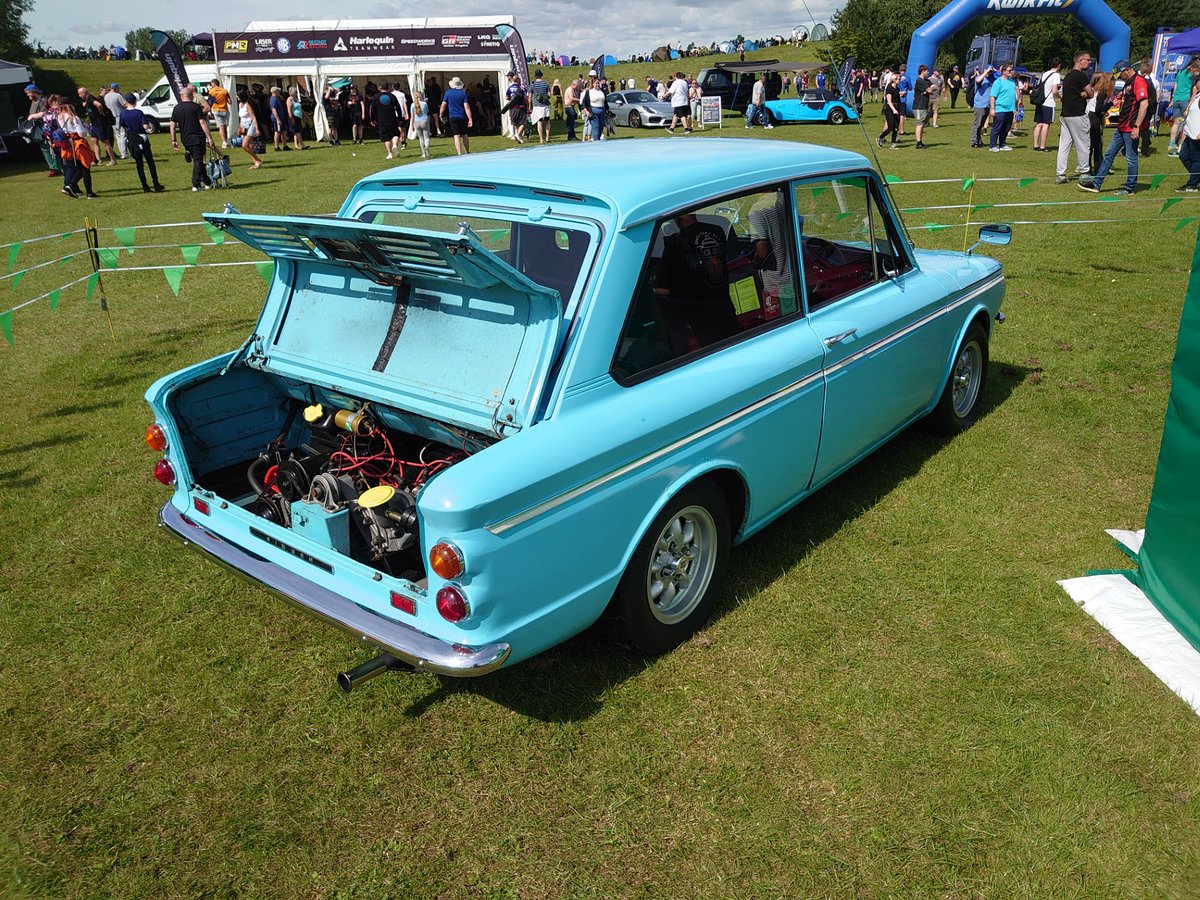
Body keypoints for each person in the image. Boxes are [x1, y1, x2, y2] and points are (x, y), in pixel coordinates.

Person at [656, 211, 737, 351]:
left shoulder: (676, 242)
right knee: (735, 344)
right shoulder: (717, 230)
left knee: (714, 351)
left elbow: (664, 283)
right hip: (723, 302)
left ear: (677, 219)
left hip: (699, 310)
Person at [1080, 60, 1150, 195]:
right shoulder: (1127, 83)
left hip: (1131, 127)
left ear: (1127, 70)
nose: (1120, 78)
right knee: (1109, 154)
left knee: (1131, 158)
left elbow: (1144, 104)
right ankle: (1096, 184)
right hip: (1121, 127)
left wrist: (1137, 126)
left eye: (1121, 75)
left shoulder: (1139, 82)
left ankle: (1129, 188)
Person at [1055, 51, 1094, 183]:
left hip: (1065, 114)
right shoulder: (1081, 76)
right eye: (1088, 60)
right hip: (1077, 114)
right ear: (1080, 60)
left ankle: (1060, 174)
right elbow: (1091, 93)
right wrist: (1086, 94)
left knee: (1064, 145)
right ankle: (1084, 173)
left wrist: (1083, 94)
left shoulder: (1067, 76)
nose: (1090, 62)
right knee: (1083, 144)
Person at [169, 86, 215, 191]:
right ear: (192, 96)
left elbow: (172, 124)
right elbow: (202, 122)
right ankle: (196, 184)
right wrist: (209, 137)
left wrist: (174, 139)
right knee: (198, 161)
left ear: (182, 96)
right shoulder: (196, 107)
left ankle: (207, 182)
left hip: (185, 138)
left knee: (197, 159)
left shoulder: (177, 108)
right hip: (197, 137)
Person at [118, 92, 164, 191]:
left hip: (131, 138)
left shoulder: (123, 114)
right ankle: (156, 183)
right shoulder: (138, 113)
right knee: (150, 162)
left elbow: (122, 125)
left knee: (139, 164)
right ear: (134, 101)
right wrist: (147, 128)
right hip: (141, 137)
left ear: (126, 102)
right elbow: (145, 126)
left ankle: (144, 185)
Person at [51, 102, 98, 198]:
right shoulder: (74, 118)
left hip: (68, 145)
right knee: (85, 167)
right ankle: (88, 192)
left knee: (79, 168)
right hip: (78, 144)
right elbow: (81, 133)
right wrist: (85, 130)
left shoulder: (59, 117)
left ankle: (70, 186)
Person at [23, 84, 61, 177]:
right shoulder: (33, 102)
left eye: (29, 93)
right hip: (37, 129)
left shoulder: (43, 101)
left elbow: (45, 113)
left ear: (34, 92)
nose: (28, 96)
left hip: (46, 128)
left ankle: (56, 168)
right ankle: (53, 167)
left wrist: (33, 116)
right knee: (44, 148)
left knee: (50, 147)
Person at [77, 86, 117, 165]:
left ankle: (113, 160)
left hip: (100, 123)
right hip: (94, 124)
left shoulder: (90, 98)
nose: (79, 96)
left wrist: (101, 113)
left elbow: (98, 104)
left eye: (79, 94)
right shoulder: (88, 100)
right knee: (94, 140)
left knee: (105, 141)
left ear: (84, 93)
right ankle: (98, 160)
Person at [1168, 57, 1196, 156]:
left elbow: (1175, 86)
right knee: (1185, 123)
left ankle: (1171, 143)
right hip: (1185, 100)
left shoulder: (1180, 72)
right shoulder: (1191, 74)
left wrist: (1174, 97)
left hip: (1177, 100)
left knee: (1176, 123)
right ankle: (1181, 145)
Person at [1176, 75, 1200, 191]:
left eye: (1196, 82)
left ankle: (1192, 184)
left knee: (1196, 159)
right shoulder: (1196, 96)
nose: (1194, 84)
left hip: (1197, 135)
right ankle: (1197, 178)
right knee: (1183, 156)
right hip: (1189, 133)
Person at [1088, 71, 1114, 175]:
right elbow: (1098, 109)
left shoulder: (1096, 90)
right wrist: (1110, 104)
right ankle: (1091, 169)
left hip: (1091, 116)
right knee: (1095, 145)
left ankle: (1097, 168)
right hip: (1094, 118)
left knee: (1096, 145)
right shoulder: (1102, 92)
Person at [1033, 58, 1062, 151]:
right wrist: (1060, 96)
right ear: (1059, 65)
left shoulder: (1044, 73)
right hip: (1049, 102)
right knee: (1046, 124)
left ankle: (1035, 145)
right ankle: (1043, 146)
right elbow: (1054, 90)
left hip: (1040, 101)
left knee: (1039, 124)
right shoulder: (1056, 75)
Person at [440, 75, 473, 155]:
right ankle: (467, 151)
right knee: (464, 134)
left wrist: (440, 114)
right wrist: (470, 118)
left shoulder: (448, 93)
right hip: (462, 116)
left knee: (456, 135)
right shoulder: (463, 93)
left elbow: (443, 105)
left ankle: (459, 152)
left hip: (452, 116)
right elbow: (466, 107)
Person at [989, 65, 1018, 151]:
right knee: (997, 128)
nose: (1011, 72)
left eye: (1012, 70)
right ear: (1004, 71)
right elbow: (992, 97)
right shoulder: (998, 82)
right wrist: (992, 109)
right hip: (1000, 108)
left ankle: (1002, 144)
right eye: (1009, 70)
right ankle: (992, 145)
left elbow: (1014, 95)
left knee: (1006, 128)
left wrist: (1016, 108)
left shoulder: (1012, 82)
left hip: (1010, 109)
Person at [236, 87, 264, 169]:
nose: (237, 97)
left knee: (244, 145)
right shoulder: (240, 105)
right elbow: (241, 117)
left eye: (238, 96)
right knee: (249, 146)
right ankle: (256, 163)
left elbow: (253, 117)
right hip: (244, 126)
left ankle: (258, 160)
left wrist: (257, 129)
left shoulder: (247, 105)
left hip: (251, 126)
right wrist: (240, 127)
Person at [371, 81, 401, 159]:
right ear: (388, 87)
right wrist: (400, 118)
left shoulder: (376, 97)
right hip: (392, 119)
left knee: (386, 137)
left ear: (380, 87)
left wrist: (372, 119)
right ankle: (394, 145)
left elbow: (372, 109)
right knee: (396, 134)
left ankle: (390, 154)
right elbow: (398, 108)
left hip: (381, 120)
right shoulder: (392, 96)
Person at [499, 71, 528, 143]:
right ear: (518, 80)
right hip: (521, 107)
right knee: (523, 123)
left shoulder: (510, 88)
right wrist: (528, 106)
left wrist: (511, 99)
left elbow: (506, 97)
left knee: (516, 124)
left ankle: (519, 138)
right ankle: (518, 134)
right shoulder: (522, 88)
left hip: (512, 108)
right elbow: (525, 98)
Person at [878, 73, 901, 149]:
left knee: (896, 127)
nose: (899, 80)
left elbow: (896, 96)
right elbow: (889, 101)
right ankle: (880, 138)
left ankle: (893, 143)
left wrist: (900, 94)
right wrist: (893, 109)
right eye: (898, 79)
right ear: (893, 80)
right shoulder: (889, 88)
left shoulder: (897, 88)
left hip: (897, 107)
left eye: (899, 79)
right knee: (891, 127)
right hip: (890, 109)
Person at [103, 83, 126, 158]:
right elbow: (124, 104)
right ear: (116, 88)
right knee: (122, 134)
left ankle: (122, 152)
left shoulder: (106, 96)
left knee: (118, 135)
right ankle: (124, 153)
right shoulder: (117, 95)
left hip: (111, 117)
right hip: (119, 115)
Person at [912, 64, 932, 149]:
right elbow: (930, 90)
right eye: (927, 71)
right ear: (923, 71)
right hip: (919, 106)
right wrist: (928, 90)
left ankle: (920, 141)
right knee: (919, 124)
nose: (928, 72)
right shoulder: (920, 81)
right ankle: (918, 143)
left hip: (924, 105)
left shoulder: (926, 80)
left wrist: (928, 90)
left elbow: (934, 86)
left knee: (922, 124)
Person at [207, 78, 231, 148]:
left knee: (221, 126)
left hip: (216, 110)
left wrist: (209, 111)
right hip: (224, 109)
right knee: (225, 126)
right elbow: (230, 102)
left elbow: (209, 103)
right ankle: (226, 141)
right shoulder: (224, 91)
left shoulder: (211, 92)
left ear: (214, 84)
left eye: (211, 84)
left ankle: (224, 142)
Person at [529, 69, 552, 143]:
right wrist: (545, 98)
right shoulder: (546, 84)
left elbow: (529, 97)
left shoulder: (532, 85)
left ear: (535, 76)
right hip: (546, 105)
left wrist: (530, 106)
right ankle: (548, 137)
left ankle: (541, 139)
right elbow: (549, 95)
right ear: (541, 75)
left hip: (537, 105)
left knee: (539, 122)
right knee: (547, 121)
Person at [582, 74, 606, 143]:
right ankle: (596, 142)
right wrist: (586, 111)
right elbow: (584, 103)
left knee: (601, 128)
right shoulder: (589, 92)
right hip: (593, 111)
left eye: (598, 83)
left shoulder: (602, 91)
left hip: (602, 111)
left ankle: (597, 140)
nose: (597, 85)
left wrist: (607, 111)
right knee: (596, 128)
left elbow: (605, 102)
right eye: (596, 83)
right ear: (592, 84)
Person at [268, 86, 290, 151]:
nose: (279, 92)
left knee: (284, 131)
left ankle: (284, 145)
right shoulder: (273, 99)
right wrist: (278, 119)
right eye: (278, 91)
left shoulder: (276, 98)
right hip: (277, 118)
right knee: (277, 131)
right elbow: (274, 110)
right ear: (275, 92)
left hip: (281, 117)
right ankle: (276, 146)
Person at [411, 91, 431, 159]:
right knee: (426, 137)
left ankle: (423, 153)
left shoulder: (412, 105)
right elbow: (427, 111)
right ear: (421, 96)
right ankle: (427, 147)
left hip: (417, 121)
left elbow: (412, 116)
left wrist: (411, 125)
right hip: (424, 121)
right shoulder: (424, 104)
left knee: (421, 138)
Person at [564, 77, 581, 141]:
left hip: (571, 107)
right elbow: (571, 98)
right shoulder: (570, 89)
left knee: (571, 122)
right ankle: (571, 136)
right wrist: (580, 100)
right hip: (569, 107)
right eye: (577, 86)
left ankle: (571, 135)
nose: (577, 87)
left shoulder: (574, 90)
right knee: (571, 122)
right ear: (573, 84)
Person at [896, 64, 911, 135]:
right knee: (902, 115)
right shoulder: (907, 77)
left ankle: (894, 129)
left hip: (895, 98)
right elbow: (910, 87)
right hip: (903, 99)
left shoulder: (896, 77)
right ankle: (901, 130)